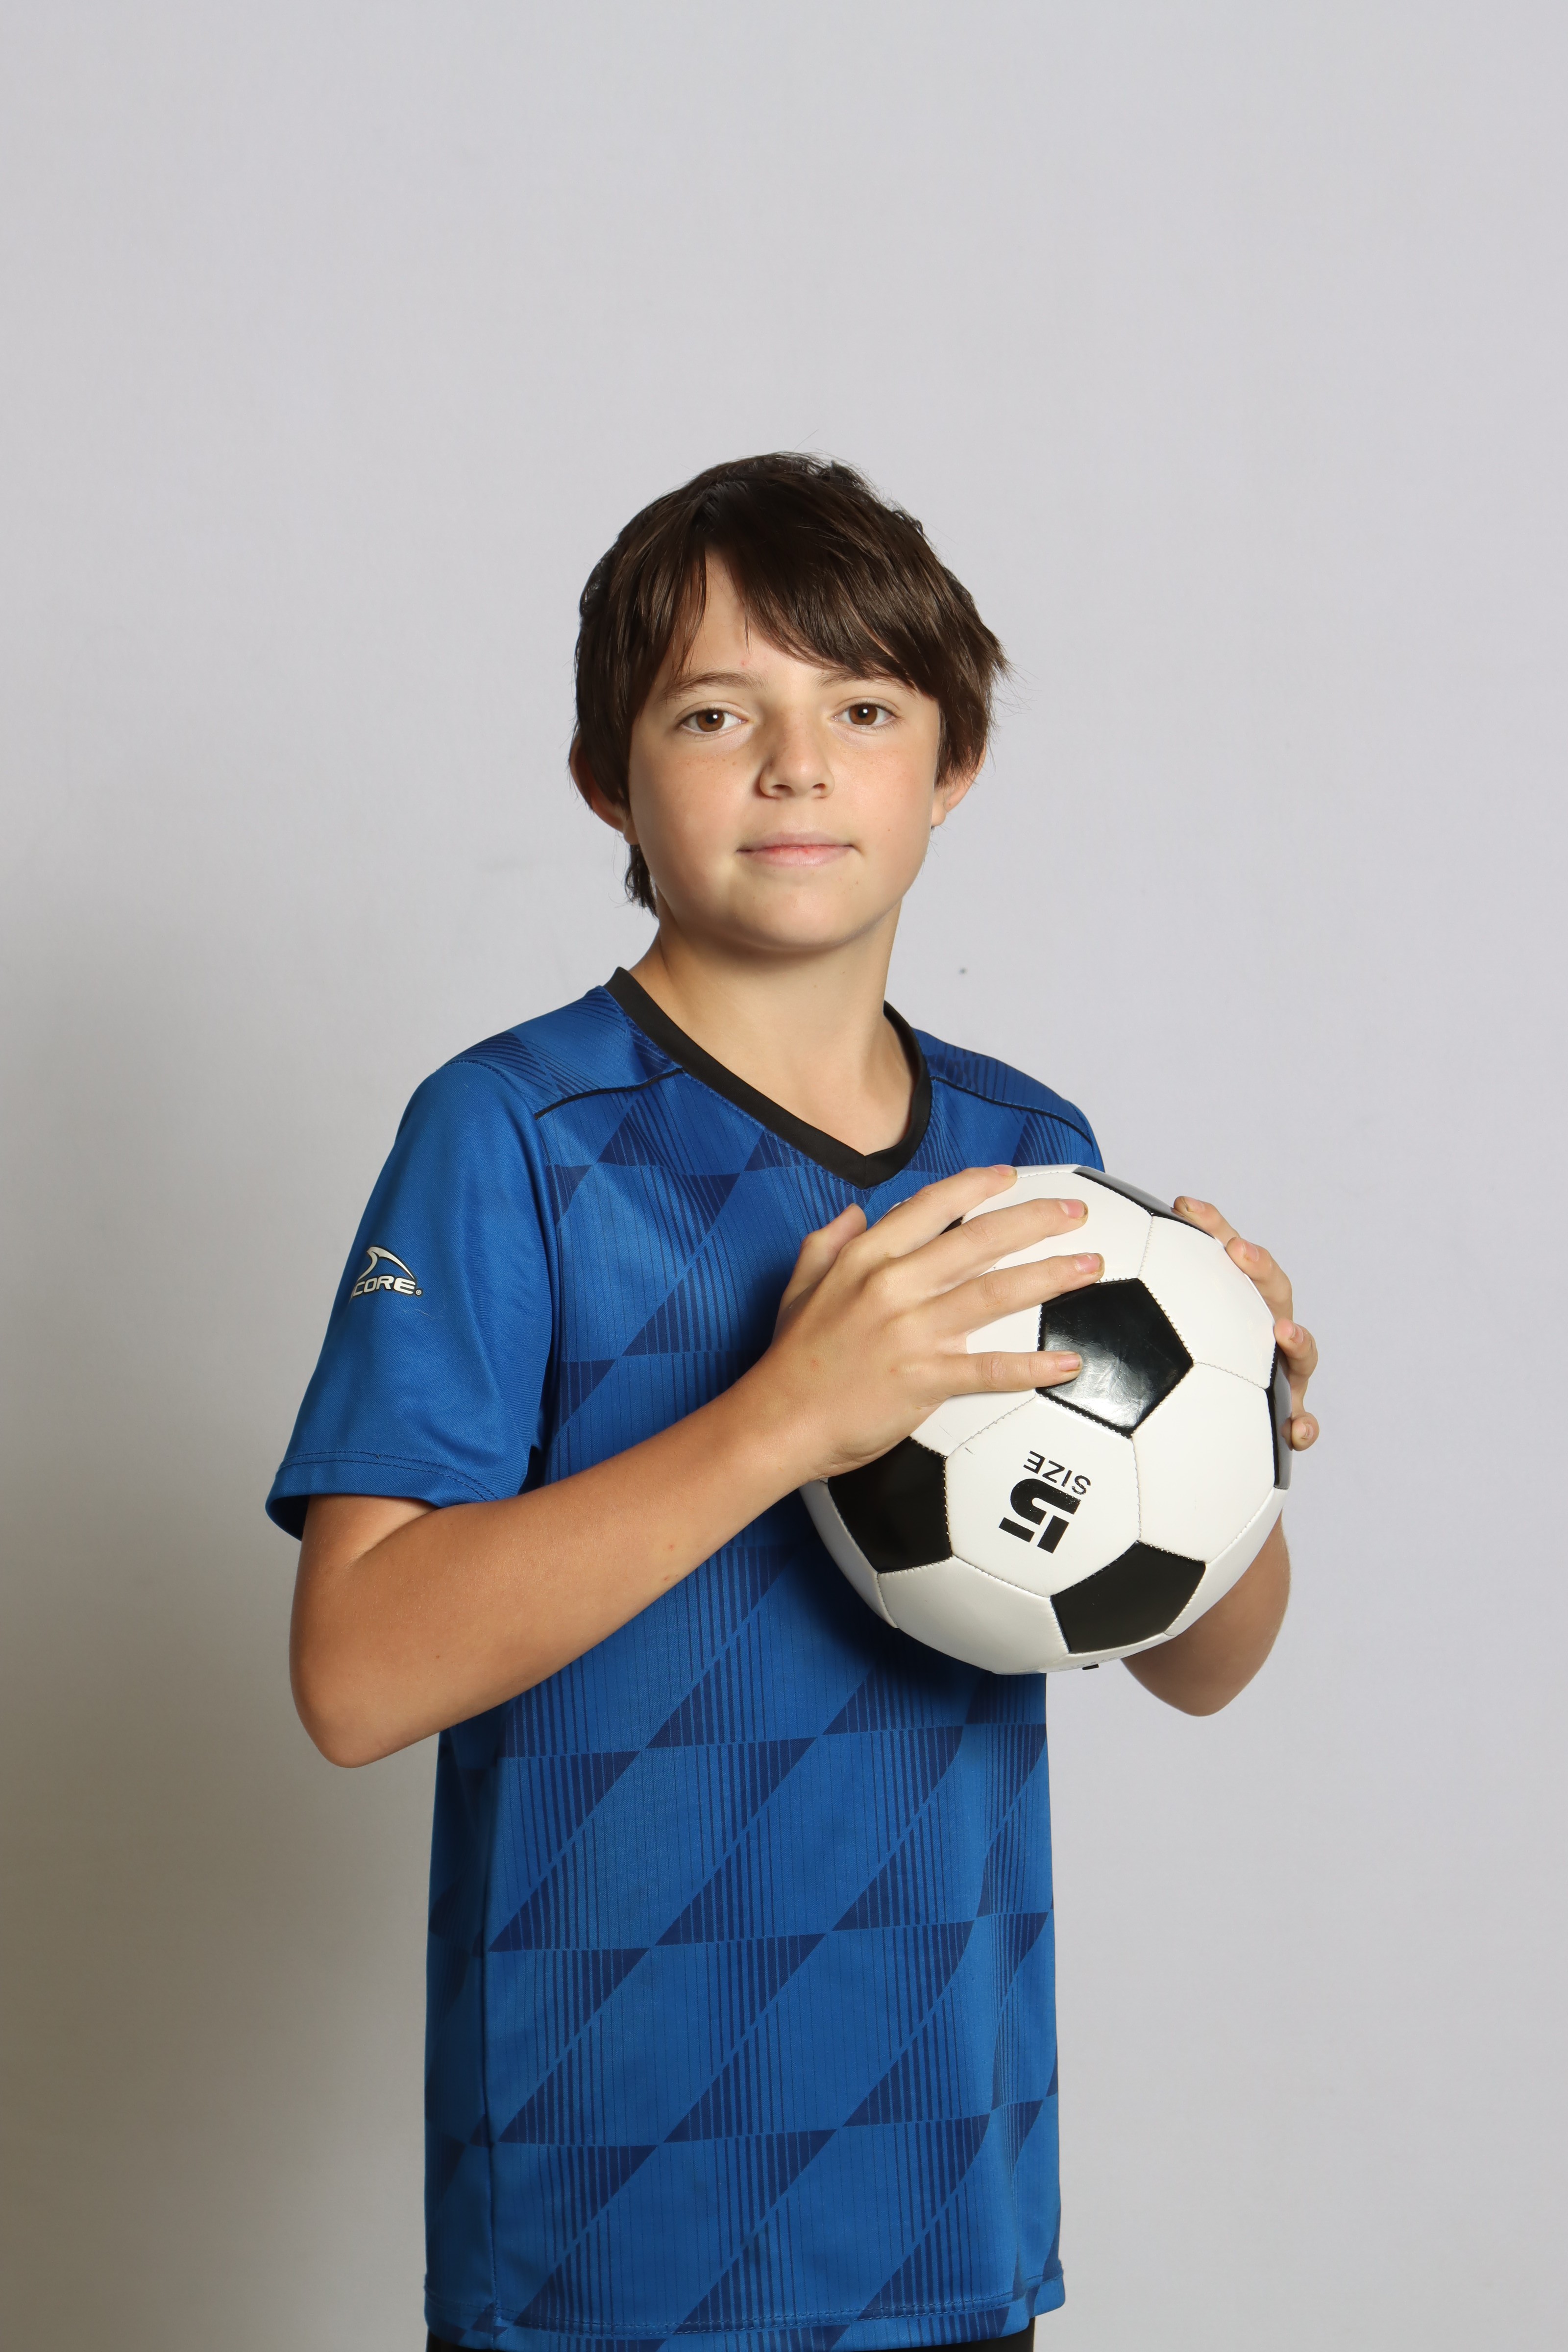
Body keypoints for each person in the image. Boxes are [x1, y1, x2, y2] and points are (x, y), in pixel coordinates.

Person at [270, 454, 1319, 2352]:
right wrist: (782, 1418)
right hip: (604, 2229)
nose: (793, 766)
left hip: (946, 2199)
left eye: (862, 709)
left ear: (952, 764)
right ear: (606, 778)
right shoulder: (511, 1136)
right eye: (711, 714)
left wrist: (1230, 1428)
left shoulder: (1029, 1157)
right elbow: (353, 1675)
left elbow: (1198, 1660)